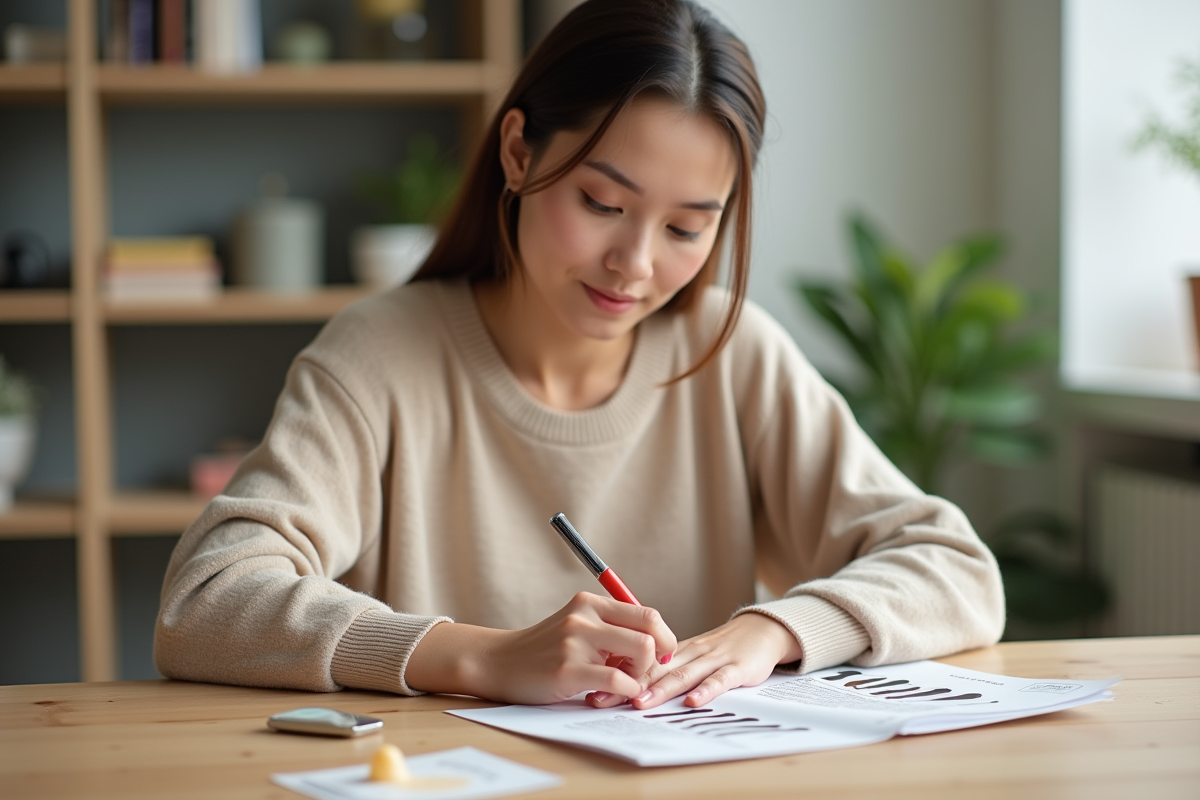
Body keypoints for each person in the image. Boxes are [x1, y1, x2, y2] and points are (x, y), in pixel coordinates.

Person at [154, 0, 1004, 711]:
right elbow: (206, 599)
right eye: (602, 202)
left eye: (685, 228)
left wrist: (775, 631)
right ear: (519, 152)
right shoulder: (381, 355)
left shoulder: (732, 353)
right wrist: (480, 658)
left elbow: (955, 567)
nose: (635, 266)